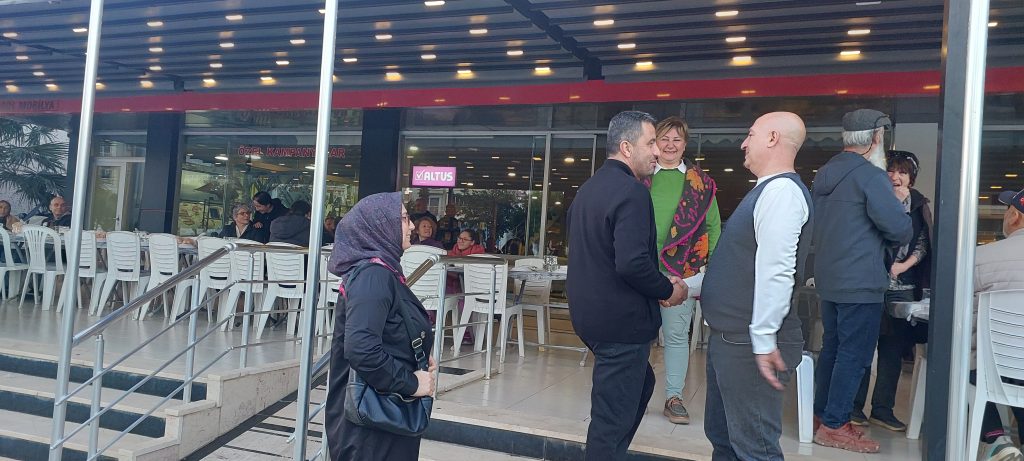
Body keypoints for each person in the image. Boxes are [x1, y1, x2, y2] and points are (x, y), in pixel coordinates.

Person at [566, 110, 688, 460]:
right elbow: (632, 263)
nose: (657, 151)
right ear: (626, 147)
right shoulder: (631, 192)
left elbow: (604, 256)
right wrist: (668, 290)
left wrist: (656, 285)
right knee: (610, 421)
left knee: (642, 385)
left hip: (593, 319)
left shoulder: (588, 189)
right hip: (620, 325)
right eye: (650, 143)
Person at [697, 112, 812, 459]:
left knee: (754, 449)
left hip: (748, 344)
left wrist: (762, 341)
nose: (743, 143)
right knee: (725, 440)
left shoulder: (781, 193)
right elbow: (742, 267)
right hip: (736, 339)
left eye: (751, 134)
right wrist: (689, 286)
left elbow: (777, 271)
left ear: (773, 138)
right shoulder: (767, 191)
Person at [811, 108, 913, 453]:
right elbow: (899, 229)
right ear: (876, 138)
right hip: (860, 279)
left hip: (830, 277)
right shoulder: (870, 176)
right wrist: (900, 205)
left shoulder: (826, 172)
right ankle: (835, 424)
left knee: (833, 348)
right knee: (854, 354)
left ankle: (822, 415)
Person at [325, 192, 438, 461]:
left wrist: (418, 353)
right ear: (380, 227)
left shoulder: (382, 272)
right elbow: (362, 349)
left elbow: (385, 327)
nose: (411, 225)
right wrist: (412, 383)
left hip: (381, 420)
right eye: (404, 219)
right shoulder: (373, 277)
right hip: (370, 433)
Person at [646, 116, 722, 425]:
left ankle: (674, 397)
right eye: (664, 138)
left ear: (685, 144)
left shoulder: (701, 184)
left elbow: (713, 227)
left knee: (676, 336)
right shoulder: (640, 176)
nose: (670, 145)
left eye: (676, 139)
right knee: (635, 334)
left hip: (683, 272)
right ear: (655, 142)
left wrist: (713, 269)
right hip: (640, 268)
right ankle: (632, 391)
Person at [852, 150, 933, 432]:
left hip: (904, 286)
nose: (896, 177)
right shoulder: (874, 199)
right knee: (863, 346)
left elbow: (923, 242)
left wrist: (902, 266)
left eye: (903, 172)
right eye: (891, 170)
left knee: (893, 351)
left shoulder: (920, 204)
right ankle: (853, 407)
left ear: (911, 178)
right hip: (872, 283)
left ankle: (882, 410)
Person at [973, 188, 1024, 461]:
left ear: (1014, 215)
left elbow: (960, 312)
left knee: (958, 362)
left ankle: (996, 439)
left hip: (995, 366)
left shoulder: (981, 257)